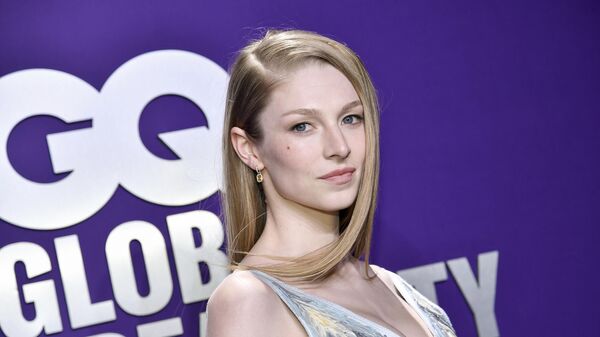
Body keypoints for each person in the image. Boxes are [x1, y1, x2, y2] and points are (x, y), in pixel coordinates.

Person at [207, 28, 457, 337]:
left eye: (350, 118)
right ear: (249, 149)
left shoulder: (391, 285)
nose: (340, 147)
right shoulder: (249, 300)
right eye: (302, 126)